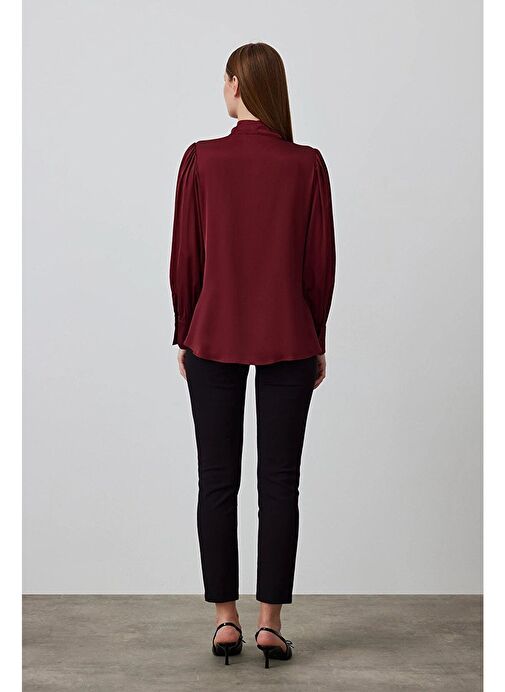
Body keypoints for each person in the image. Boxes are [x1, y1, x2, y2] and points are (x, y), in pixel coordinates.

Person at [169, 42, 336, 668]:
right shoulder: (306, 165)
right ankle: (270, 624)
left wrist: (186, 328)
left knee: (216, 479)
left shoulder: (202, 160)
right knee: (280, 482)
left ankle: (225, 620)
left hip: (213, 333)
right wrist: (316, 335)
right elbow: (320, 263)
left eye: (225, 80)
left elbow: (186, 256)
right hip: (290, 334)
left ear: (237, 85)